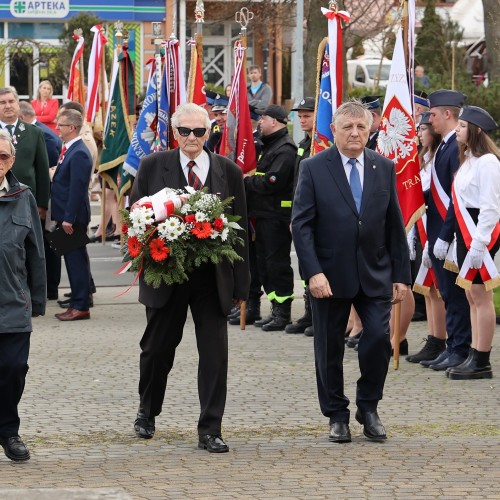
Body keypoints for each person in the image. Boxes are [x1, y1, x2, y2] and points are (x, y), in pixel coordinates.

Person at [129, 103, 250, 453]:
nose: (192, 138)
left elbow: (241, 232)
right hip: (166, 276)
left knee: (215, 355)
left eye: (199, 132)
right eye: (185, 131)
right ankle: (147, 410)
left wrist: (243, 286)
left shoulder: (228, 170)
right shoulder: (153, 166)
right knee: (156, 350)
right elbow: (136, 217)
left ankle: (210, 428)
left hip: (212, 280)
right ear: (175, 133)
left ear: (209, 132)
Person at [292, 100, 411, 443]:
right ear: (334, 131)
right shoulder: (314, 167)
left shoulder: (383, 166)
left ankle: (368, 406)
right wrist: (312, 273)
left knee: (377, 339)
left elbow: (394, 225)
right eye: (348, 127)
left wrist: (400, 274)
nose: (355, 133)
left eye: (361, 127)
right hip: (329, 276)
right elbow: (301, 225)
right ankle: (337, 414)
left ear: (370, 129)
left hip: (375, 273)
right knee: (329, 348)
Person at [440, 106, 499, 380]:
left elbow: (490, 207)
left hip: (479, 230)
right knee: (470, 294)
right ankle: (474, 353)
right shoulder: (470, 159)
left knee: (480, 294)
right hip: (466, 232)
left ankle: (482, 359)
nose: (457, 131)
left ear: (475, 130)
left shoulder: (488, 162)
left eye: (462, 126)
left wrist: (480, 242)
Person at [0, 130, 46, 462]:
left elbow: (36, 254)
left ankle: (8, 431)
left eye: (3, 156)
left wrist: (39, 301)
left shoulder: (23, 195)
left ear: (12, 160)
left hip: (13, 303)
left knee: (14, 368)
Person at [423, 89, 472, 371]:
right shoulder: (444, 145)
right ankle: (453, 345)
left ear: (447, 114)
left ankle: (459, 348)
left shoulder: (455, 146)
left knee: (454, 295)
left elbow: (457, 197)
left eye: (432, 114)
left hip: (451, 232)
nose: (430, 120)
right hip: (438, 228)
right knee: (445, 292)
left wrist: (445, 235)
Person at [245, 104, 296, 331]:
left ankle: (283, 312)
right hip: (263, 214)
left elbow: (271, 182)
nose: (259, 122)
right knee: (264, 265)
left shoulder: (285, 148)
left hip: (276, 216)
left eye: (262, 118)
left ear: (273, 121)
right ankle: (275, 307)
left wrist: (246, 179)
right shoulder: (269, 145)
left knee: (277, 265)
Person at [406, 112, 447, 363]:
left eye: (423, 129)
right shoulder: (423, 158)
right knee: (429, 288)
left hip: (435, 227)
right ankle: (433, 339)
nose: (419, 134)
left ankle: (441, 340)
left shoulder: (440, 156)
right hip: (421, 227)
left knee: (438, 288)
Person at [51, 109, 94, 321]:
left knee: (75, 261)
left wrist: (68, 217)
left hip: (73, 218)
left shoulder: (78, 152)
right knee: (74, 260)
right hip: (67, 215)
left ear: (72, 128)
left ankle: (80, 306)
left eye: (60, 125)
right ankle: (78, 302)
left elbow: (77, 189)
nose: (57, 128)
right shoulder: (71, 149)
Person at [286, 97, 315, 335]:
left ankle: (317, 313)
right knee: (305, 264)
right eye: (300, 116)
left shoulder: (322, 144)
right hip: (302, 212)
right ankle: (309, 311)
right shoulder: (304, 144)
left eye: (308, 115)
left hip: (319, 215)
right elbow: (297, 183)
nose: (302, 119)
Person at [0, 87, 50, 221]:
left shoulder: (34, 133)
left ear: (18, 104)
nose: (7, 106)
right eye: (2, 102)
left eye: (11, 101)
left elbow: (42, 171)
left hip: (26, 200)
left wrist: (42, 204)